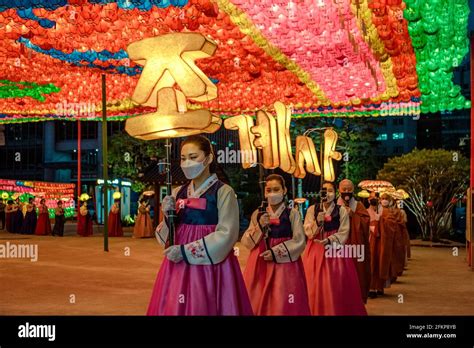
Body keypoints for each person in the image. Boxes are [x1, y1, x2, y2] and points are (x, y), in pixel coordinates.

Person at [148, 135, 253, 316]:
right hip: (178, 264)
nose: (187, 162)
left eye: (193, 157)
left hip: (212, 265)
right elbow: (166, 237)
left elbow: (227, 233)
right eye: (183, 158)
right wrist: (167, 216)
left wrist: (186, 251)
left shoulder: (223, 191)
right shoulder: (176, 192)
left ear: (209, 158)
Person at [241, 174, 310, 316]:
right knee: (256, 298)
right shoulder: (257, 214)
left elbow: (299, 240)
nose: (272, 193)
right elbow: (246, 242)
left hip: (285, 263)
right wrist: (259, 227)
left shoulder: (293, 214)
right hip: (259, 262)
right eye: (269, 190)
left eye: (276, 189)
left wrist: (275, 253)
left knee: (283, 298)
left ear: (284, 190)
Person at [303, 181, 367, 316]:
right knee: (314, 283)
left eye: (331, 190)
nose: (328, 194)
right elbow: (308, 232)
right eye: (325, 191)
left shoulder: (341, 210)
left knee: (336, 282)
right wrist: (317, 223)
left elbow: (344, 231)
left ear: (335, 192)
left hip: (336, 250)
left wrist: (330, 240)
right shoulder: (312, 209)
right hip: (315, 249)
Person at [337, 179, 371, 304]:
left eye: (349, 189)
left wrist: (353, 215)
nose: (346, 192)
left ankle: (356, 302)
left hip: (355, 245)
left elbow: (366, 222)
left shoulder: (358, 205)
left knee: (357, 272)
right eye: (344, 189)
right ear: (339, 190)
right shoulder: (334, 205)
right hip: (338, 245)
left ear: (353, 190)